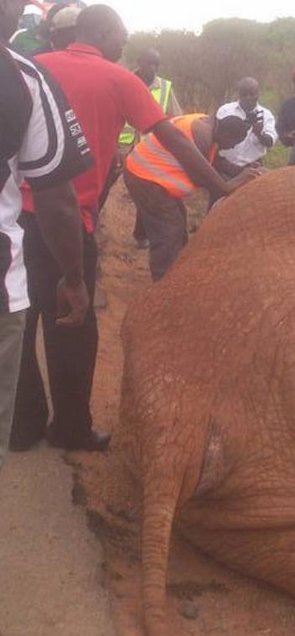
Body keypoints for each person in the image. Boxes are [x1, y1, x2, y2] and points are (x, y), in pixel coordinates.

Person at [12, 4, 243, 453]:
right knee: (73, 326)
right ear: (100, 33)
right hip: (68, 221)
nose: (124, 45)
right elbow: (173, 137)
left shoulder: (33, 68)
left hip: (18, 218)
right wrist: (222, 185)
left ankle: (23, 425)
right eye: (120, 35)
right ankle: (70, 428)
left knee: (22, 319)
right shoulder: (120, 80)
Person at [2, 0, 91, 468]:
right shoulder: (24, 76)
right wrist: (74, 278)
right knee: (43, 324)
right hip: (35, 241)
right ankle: (54, 423)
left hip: (26, 234)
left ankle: (25, 424)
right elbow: (58, 196)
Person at [124, 113, 261, 280]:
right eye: (233, 143)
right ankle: (163, 283)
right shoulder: (202, 135)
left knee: (177, 219)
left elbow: (214, 161)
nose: (232, 148)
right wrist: (229, 186)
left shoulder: (208, 126)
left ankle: (148, 241)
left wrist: (242, 171)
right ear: (226, 135)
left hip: (145, 170)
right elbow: (202, 176)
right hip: (147, 178)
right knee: (170, 231)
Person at [115, 47, 182, 248]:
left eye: (156, 64)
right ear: (139, 62)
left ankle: (141, 234)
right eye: (149, 63)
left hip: (150, 149)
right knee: (105, 186)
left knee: (147, 190)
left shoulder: (165, 87)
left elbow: (175, 117)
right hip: (121, 147)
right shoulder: (124, 82)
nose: (152, 68)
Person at [210, 77, 276, 208]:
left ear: (258, 94)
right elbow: (216, 136)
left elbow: (270, 142)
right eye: (244, 94)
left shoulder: (266, 115)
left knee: (253, 206)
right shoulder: (225, 110)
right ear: (238, 94)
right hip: (225, 168)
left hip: (253, 169)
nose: (248, 98)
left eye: (252, 94)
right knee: (218, 206)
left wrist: (260, 134)